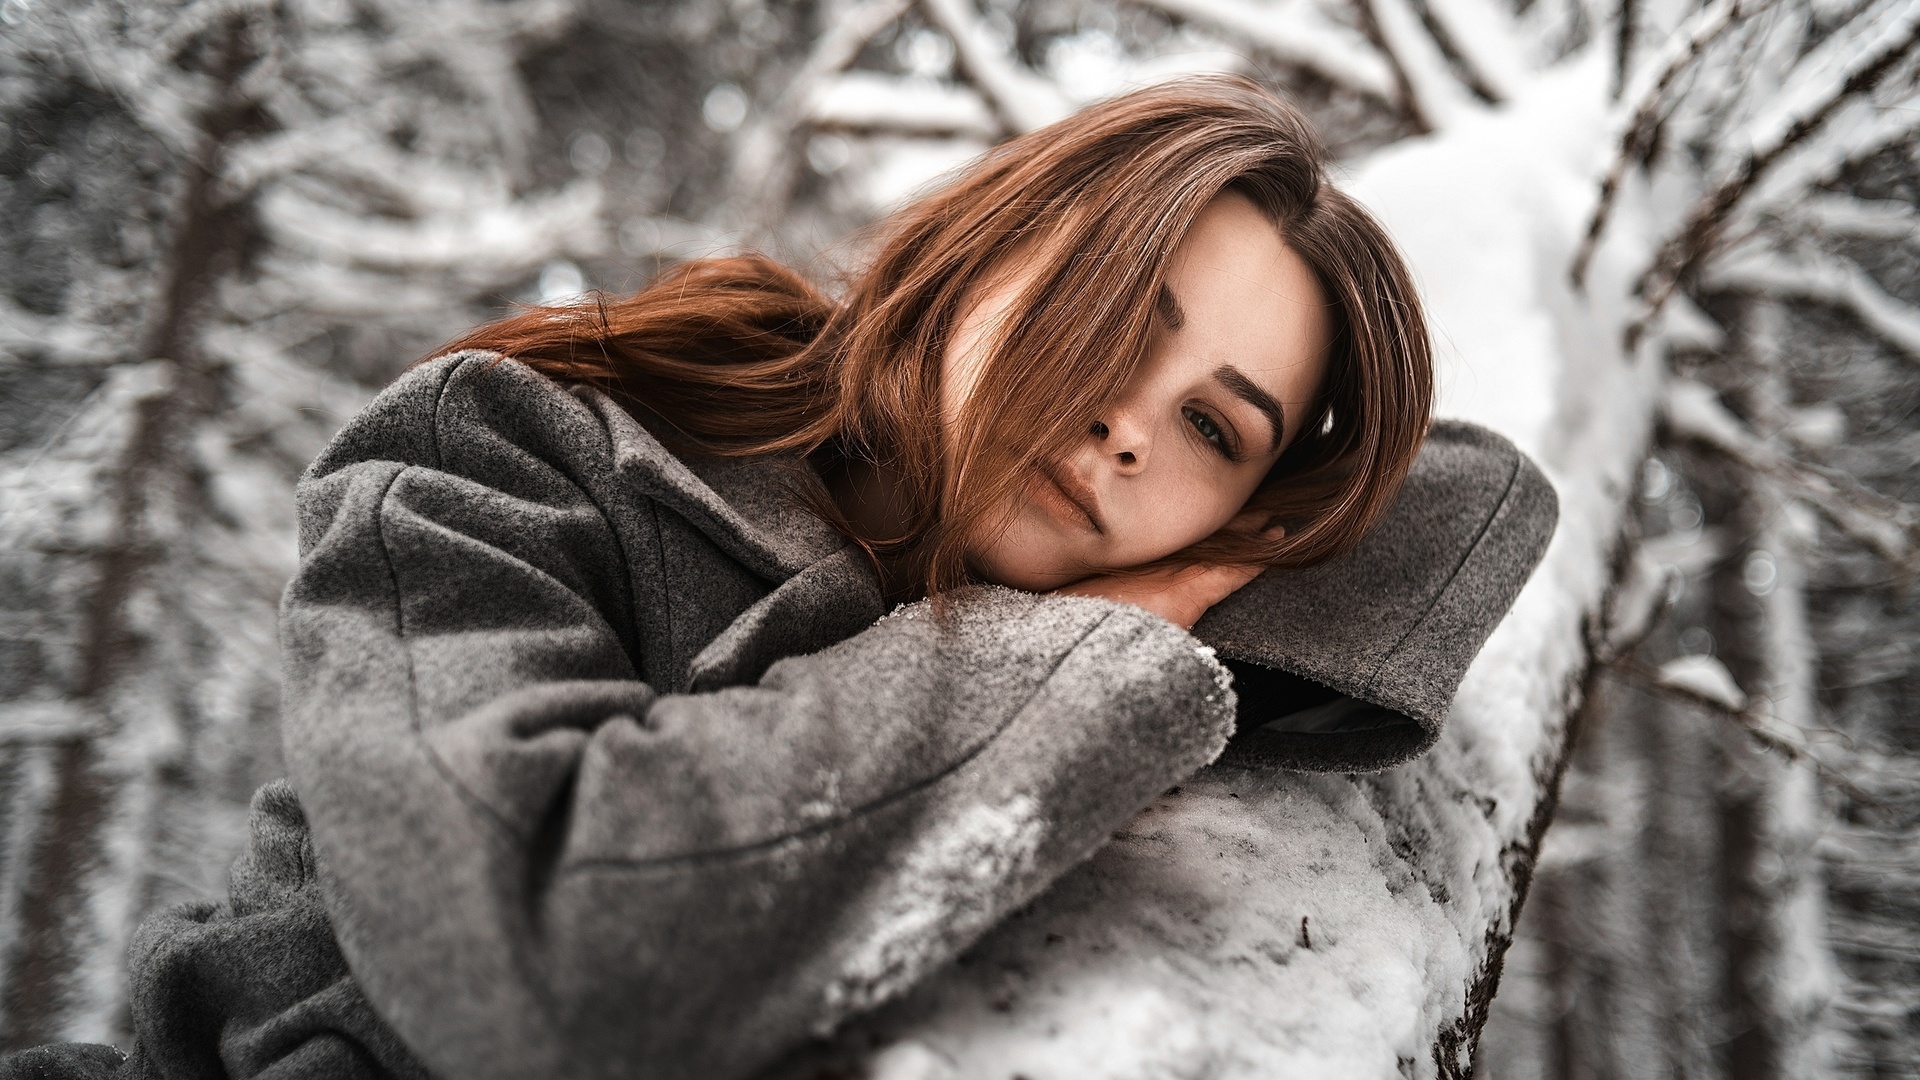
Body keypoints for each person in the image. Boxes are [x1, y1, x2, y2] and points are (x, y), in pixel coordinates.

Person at [2, 77, 1557, 1080]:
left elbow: (1477, 497)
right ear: (979, 247)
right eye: (1112, 309)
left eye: (1218, 425)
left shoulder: (1156, 557)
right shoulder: (509, 448)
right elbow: (535, 955)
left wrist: (1184, 589)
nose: (1124, 422)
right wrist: (1072, 658)